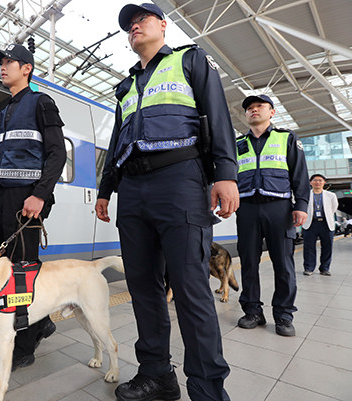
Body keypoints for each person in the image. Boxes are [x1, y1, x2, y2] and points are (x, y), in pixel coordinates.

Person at [95, 3, 239, 400]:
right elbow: (117, 142)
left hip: (180, 179)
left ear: (162, 25)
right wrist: (107, 189)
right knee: (143, 288)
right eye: (128, 25)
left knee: (191, 289)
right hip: (134, 191)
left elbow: (218, 116)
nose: (133, 27)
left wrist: (225, 174)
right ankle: (157, 375)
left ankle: (208, 389)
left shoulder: (190, 61)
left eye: (140, 20)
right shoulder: (126, 87)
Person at [0, 43, 66, 374]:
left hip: (28, 200)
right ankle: (42, 320)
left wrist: (40, 195)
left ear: (27, 68)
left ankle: (25, 344)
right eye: (1, 63)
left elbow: (57, 154)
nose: (3, 67)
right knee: (6, 268)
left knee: (23, 271)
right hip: (4, 199)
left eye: (9, 62)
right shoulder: (0, 114)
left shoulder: (41, 103)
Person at [236, 94, 309, 337]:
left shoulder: (286, 138)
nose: (253, 110)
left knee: (283, 264)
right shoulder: (237, 144)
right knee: (248, 262)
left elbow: (299, 174)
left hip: (279, 208)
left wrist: (301, 205)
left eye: (259, 106)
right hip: (246, 208)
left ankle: (284, 315)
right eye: (249, 108)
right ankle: (253, 311)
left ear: (272, 112)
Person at [302, 174, 338, 276]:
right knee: (309, 247)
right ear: (311, 183)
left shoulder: (331, 195)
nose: (317, 182)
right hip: (310, 223)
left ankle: (325, 268)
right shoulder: (306, 194)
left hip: (326, 224)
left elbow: (333, 208)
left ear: (324, 183)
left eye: (320, 180)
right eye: (315, 180)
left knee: (327, 247)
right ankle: (309, 268)